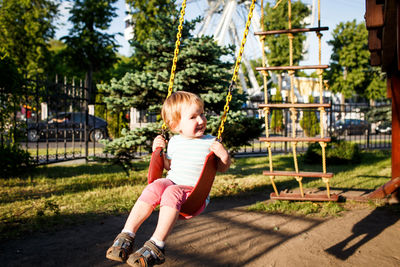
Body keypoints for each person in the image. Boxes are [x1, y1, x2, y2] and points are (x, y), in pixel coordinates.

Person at [106, 91, 231, 267]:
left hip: (194, 194)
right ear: (175, 125)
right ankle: (127, 234)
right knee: (155, 186)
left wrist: (224, 156)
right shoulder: (174, 141)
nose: (201, 120)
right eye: (193, 117)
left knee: (171, 191)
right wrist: (158, 152)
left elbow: (221, 168)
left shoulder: (211, 142)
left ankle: (157, 245)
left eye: (202, 114)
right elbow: (168, 166)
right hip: (173, 183)